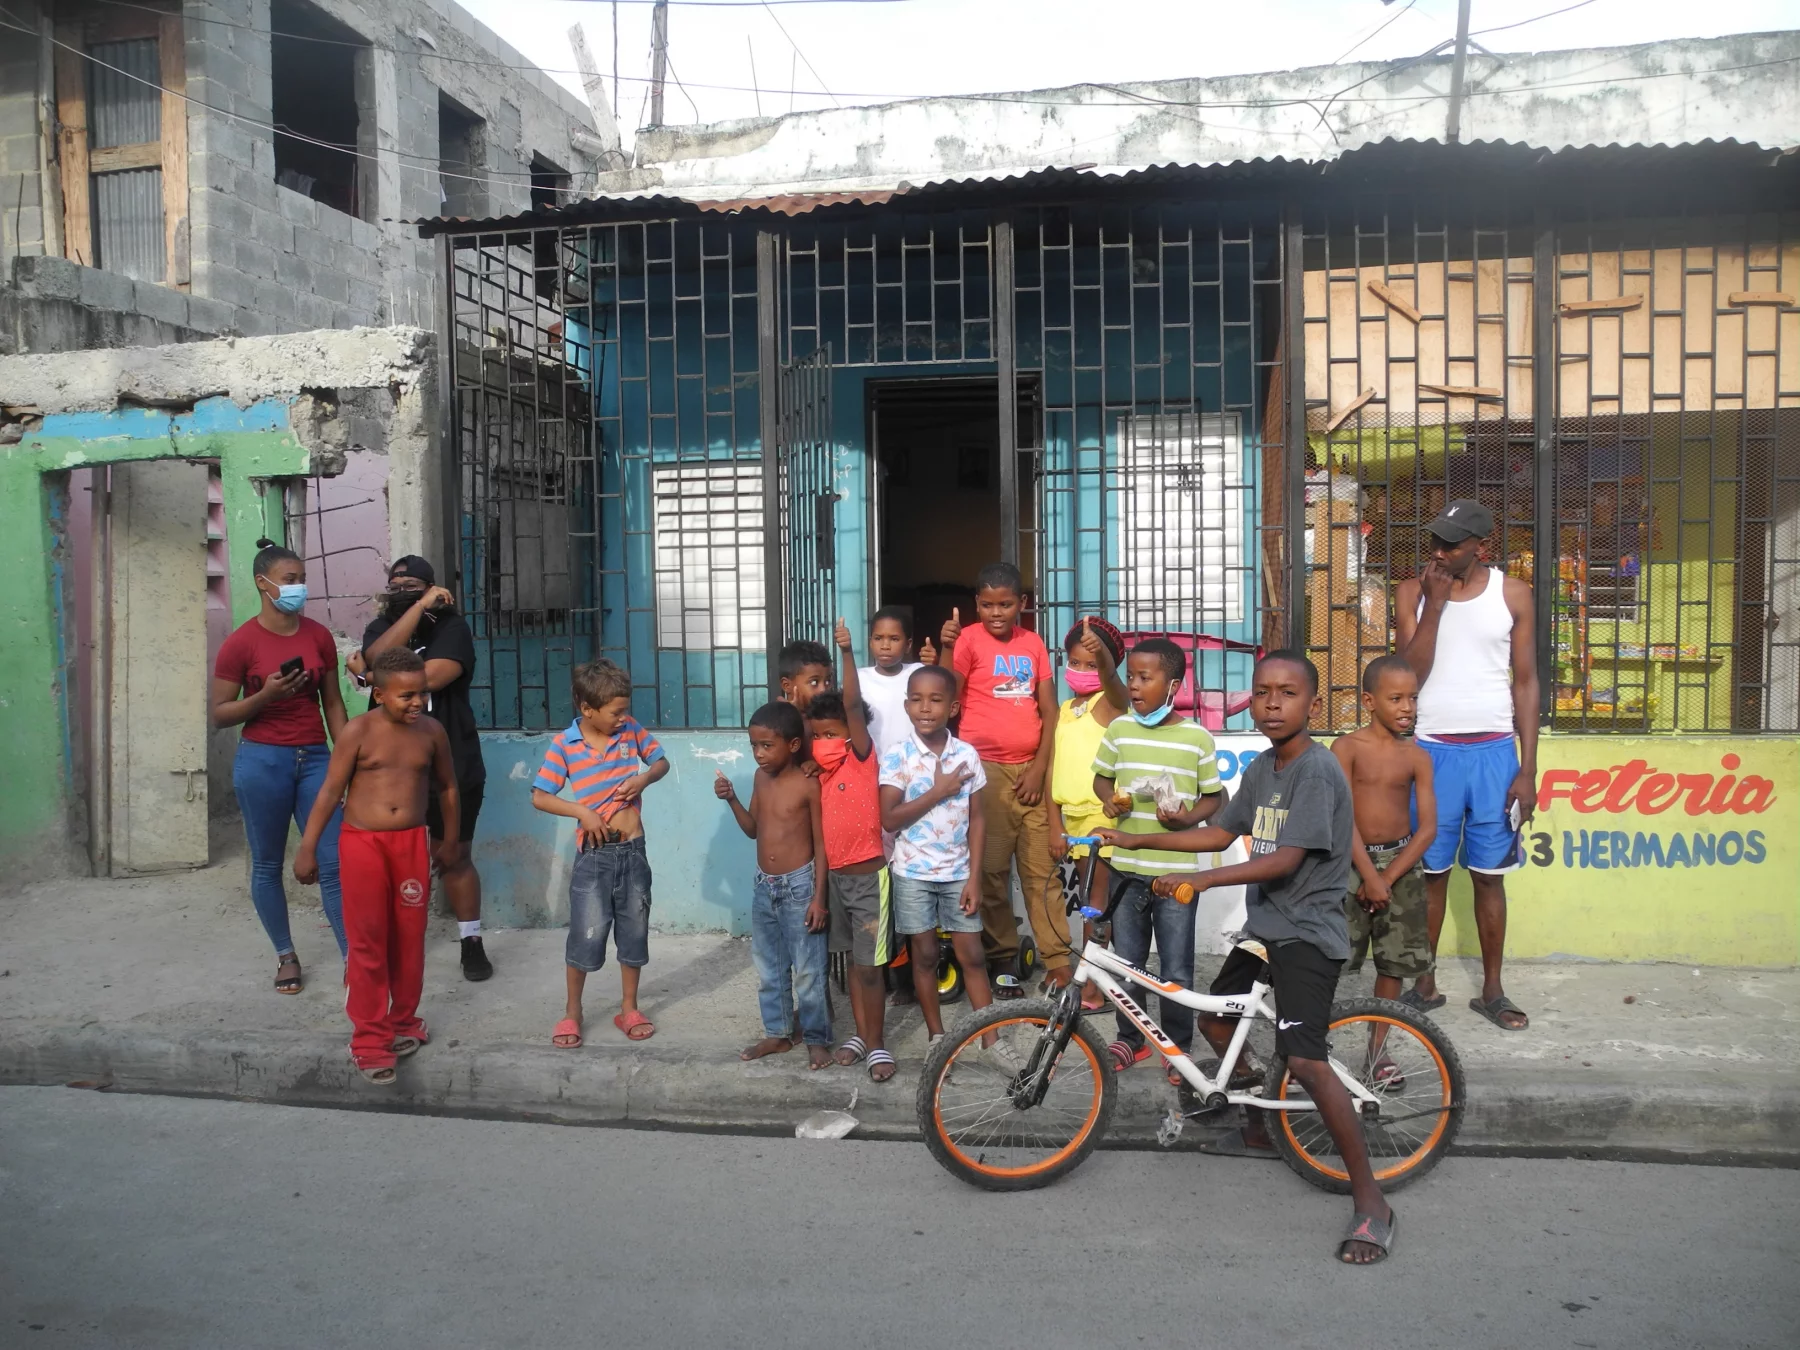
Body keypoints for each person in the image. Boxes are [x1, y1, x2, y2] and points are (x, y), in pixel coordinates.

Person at [1100, 651, 1395, 1266]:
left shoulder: (1314, 771)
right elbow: (1219, 830)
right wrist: (1139, 839)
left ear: (1311, 704)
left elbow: (1285, 860)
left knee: (1309, 1062)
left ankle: (1372, 1202)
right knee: (1214, 1017)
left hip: (1307, 934)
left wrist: (1202, 883)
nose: (1272, 703)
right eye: (1262, 692)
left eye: (1287, 693)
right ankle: (1261, 1120)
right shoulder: (1264, 767)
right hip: (1267, 928)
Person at [1394, 499, 1539, 1031]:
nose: (1439, 551)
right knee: (1429, 875)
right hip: (1430, 751)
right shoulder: (1412, 592)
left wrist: (1528, 769)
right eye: (1435, 540)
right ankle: (1424, 984)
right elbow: (1406, 675)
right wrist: (1434, 607)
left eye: (1451, 543)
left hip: (1496, 753)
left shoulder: (1512, 594)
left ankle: (1494, 991)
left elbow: (1526, 682)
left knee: (1489, 878)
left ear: (1483, 546)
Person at [294, 648, 458, 1086]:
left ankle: (403, 1021)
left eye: (421, 694)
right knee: (367, 942)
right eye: (406, 696)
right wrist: (307, 847)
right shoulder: (358, 732)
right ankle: (368, 1039)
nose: (416, 703)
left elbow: (447, 788)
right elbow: (330, 791)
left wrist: (450, 840)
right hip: (363, 844)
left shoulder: (432, 732)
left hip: (411, 844)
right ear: (380, 694)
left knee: (409, 938)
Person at [211, 539, 350, 994]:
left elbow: (332, 701)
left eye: (301, 579)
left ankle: (354, 957)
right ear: (263, 583)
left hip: (314, 759)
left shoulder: (318, 637)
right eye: (290, 580)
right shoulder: (240, 643)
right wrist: (265, 696)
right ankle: (285, 954)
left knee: (334, 861)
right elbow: (219, 713)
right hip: (262, 761)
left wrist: (346, 757)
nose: (299, 588)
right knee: (268, 865)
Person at [1090, 637, 1225, 1080]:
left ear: (1174, 685)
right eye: (1131, 676)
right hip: (1126, 873)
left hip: (1176, 874)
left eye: (1145, 678)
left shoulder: (1196, 738)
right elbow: (1101, 781)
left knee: (1176, 966)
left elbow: (1214, 798)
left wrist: (1186, 820)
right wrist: (1111, 802)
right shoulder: (1119, 731)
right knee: (1127, 961)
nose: (1134, 686)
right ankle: (1130, 1040)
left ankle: (1176, 1047)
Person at [355, 556, 492, 982]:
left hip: (453, 760)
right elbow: (377, 655)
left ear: (433, 588)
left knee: (455, 856)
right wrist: (413, 611)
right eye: (395, 586)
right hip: (391, 771)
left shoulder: (452, 628)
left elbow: (427, 678)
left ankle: (471, 942)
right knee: (395, 863)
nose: (401, 591)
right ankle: (399, 945)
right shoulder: (381, 628)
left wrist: (372, 673)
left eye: (412, 586)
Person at [941, 561, 1070, 993]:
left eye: (1006, 604)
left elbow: (1049, 711)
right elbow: (946, 693)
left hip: (1033, 770)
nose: (997, 613)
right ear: (976, 604)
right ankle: (1003, 957)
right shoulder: (968, 641)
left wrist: (1038, 768)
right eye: (988, 605)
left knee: (1042, 874)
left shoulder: (1032, 643)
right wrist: (945, 649)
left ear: (1022, 604)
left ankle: (1057, 961)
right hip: (986, 772)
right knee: (992, 874)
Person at [530, 659, 670, 1048]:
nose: (623, 717)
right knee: (586, 936)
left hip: (633, 853)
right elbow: (540, 796)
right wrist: (582, 811)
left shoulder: (631, 731)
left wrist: (644, 776)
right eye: (616, 712)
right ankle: (572, 1012)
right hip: (594, 858)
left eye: (625, 709)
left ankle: (629, 1008)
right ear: (587, 709)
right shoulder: (565, 745)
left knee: (634, 932)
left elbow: (661, 762)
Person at [878, 665, 1005, 1059]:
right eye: (916, 699)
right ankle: (938, 1037)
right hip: (912, 873)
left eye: (935, 700)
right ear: (906, 705)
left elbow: (978, 819)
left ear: (953, 707)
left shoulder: (965, 755)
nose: (925, 708)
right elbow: (889, 818)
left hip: (957, 874)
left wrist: (975, 877)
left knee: (972, 955)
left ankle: (991, 1040)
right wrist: (937, 792)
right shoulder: (898, 756)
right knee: (926, 956)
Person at [715, 702, 833, 1070]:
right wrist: (731, 798)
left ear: (794, 745)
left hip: (800, 886)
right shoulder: (759, 778)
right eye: (754, 745)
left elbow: (822, 844)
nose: (759, 754)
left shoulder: (808, 784)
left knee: (810, 969)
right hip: (763, 886)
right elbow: (753, 829)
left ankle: (816, 1038)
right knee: (769, 967)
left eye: (767, 745)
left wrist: (819, 898)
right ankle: (779, 1033)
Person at [1333, 655, 1438, 1025]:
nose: (1407, 707)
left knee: (1393, 965)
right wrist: (1369, 876)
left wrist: (1387, 878)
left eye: (1412, 698)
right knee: (1332, 959)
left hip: (1401, 868)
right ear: (1369, 701)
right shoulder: (1346, 748)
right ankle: (1312, 1050)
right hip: (1350, 864)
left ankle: (1379, 1053)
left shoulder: (1418, 757)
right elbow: (1341, 819)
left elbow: (1427, 828)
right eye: (1396, 699)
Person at [811, 619, 895, 1081]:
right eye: (817, 735)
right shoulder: (819, 775)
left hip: (868, 877)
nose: (824, 743)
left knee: (869, 968)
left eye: (831, 734)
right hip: (839, 881)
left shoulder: (862, 758)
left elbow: (849, 704)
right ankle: (861, 1034)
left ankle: (878, 1045)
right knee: (851, 966)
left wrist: (845, 653)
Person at [858, 606, 934, 758]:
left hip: (913, 763)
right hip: (872, 764)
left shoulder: (918, 673)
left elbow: (943, 693)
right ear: (871, 642)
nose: (885, 646)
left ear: (908, 645)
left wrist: (934, 664)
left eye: (894, 639)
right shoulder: (859, 678)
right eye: (878, 638)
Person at [777, 639, 834, 713]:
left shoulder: (832, 718)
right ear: (787, 685)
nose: (823, 689)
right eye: (814, 682)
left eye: (827, 681)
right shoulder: (777, 722)